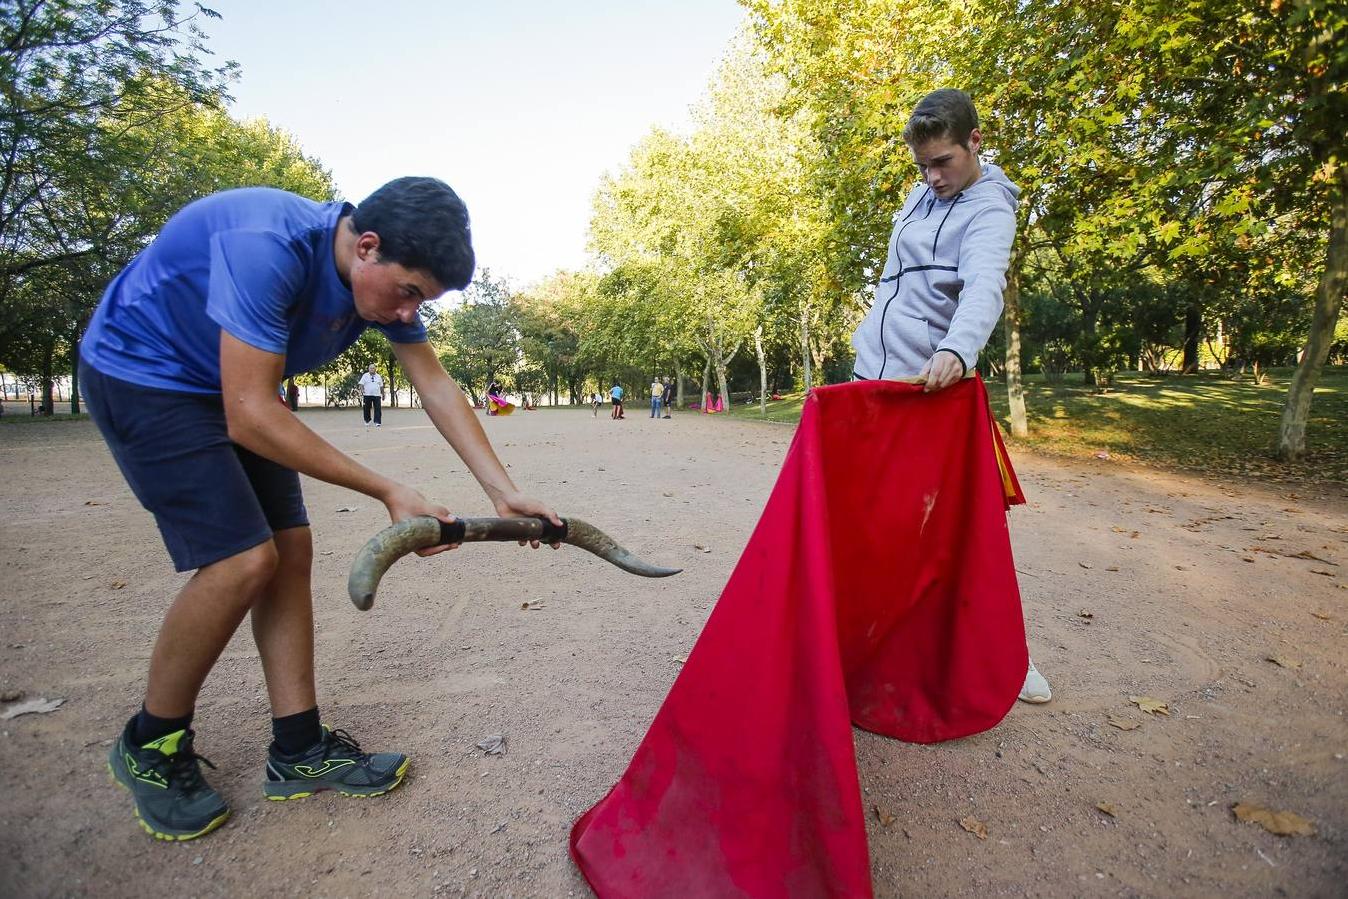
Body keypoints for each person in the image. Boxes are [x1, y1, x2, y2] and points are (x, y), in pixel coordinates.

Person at [78, 177, 559, 842]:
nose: (407, 312)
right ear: (367, 247)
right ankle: (150, 743)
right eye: (410, 292)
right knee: (242, 560)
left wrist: (502, 490)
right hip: (146, 375)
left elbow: (435, 383)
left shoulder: (380, 284)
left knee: (290, 550)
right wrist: (386, 487)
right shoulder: (267, 245)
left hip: (235, 388)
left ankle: (298, 747)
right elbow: (248, 412)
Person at [849, 88, 1050, 704]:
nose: (933, 177)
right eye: (923, 166)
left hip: (928, 388)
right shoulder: (918, 195)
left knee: (953, 530)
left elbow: (984, 286)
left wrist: (957, 351)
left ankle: (1002, 660)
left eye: (943, 162)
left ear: (975, 143)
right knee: (866, 523)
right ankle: (861, 640)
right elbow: (895, 282)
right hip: (872, 382)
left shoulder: (991, 209)